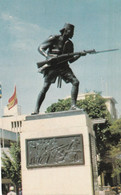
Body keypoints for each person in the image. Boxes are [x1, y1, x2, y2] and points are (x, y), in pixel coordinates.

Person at [32, 23, 86, 114]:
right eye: (71, 31)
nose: (73, 34)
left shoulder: (70, 44)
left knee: (75, 82)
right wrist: (47, 56)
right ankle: (36, 110)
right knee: (45, 87)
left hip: (63, 66)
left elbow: (71, 60)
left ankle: (73, 106)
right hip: (53, 66)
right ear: (66, 30)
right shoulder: (54, 38)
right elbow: (40, 48)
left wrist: (79, 55)